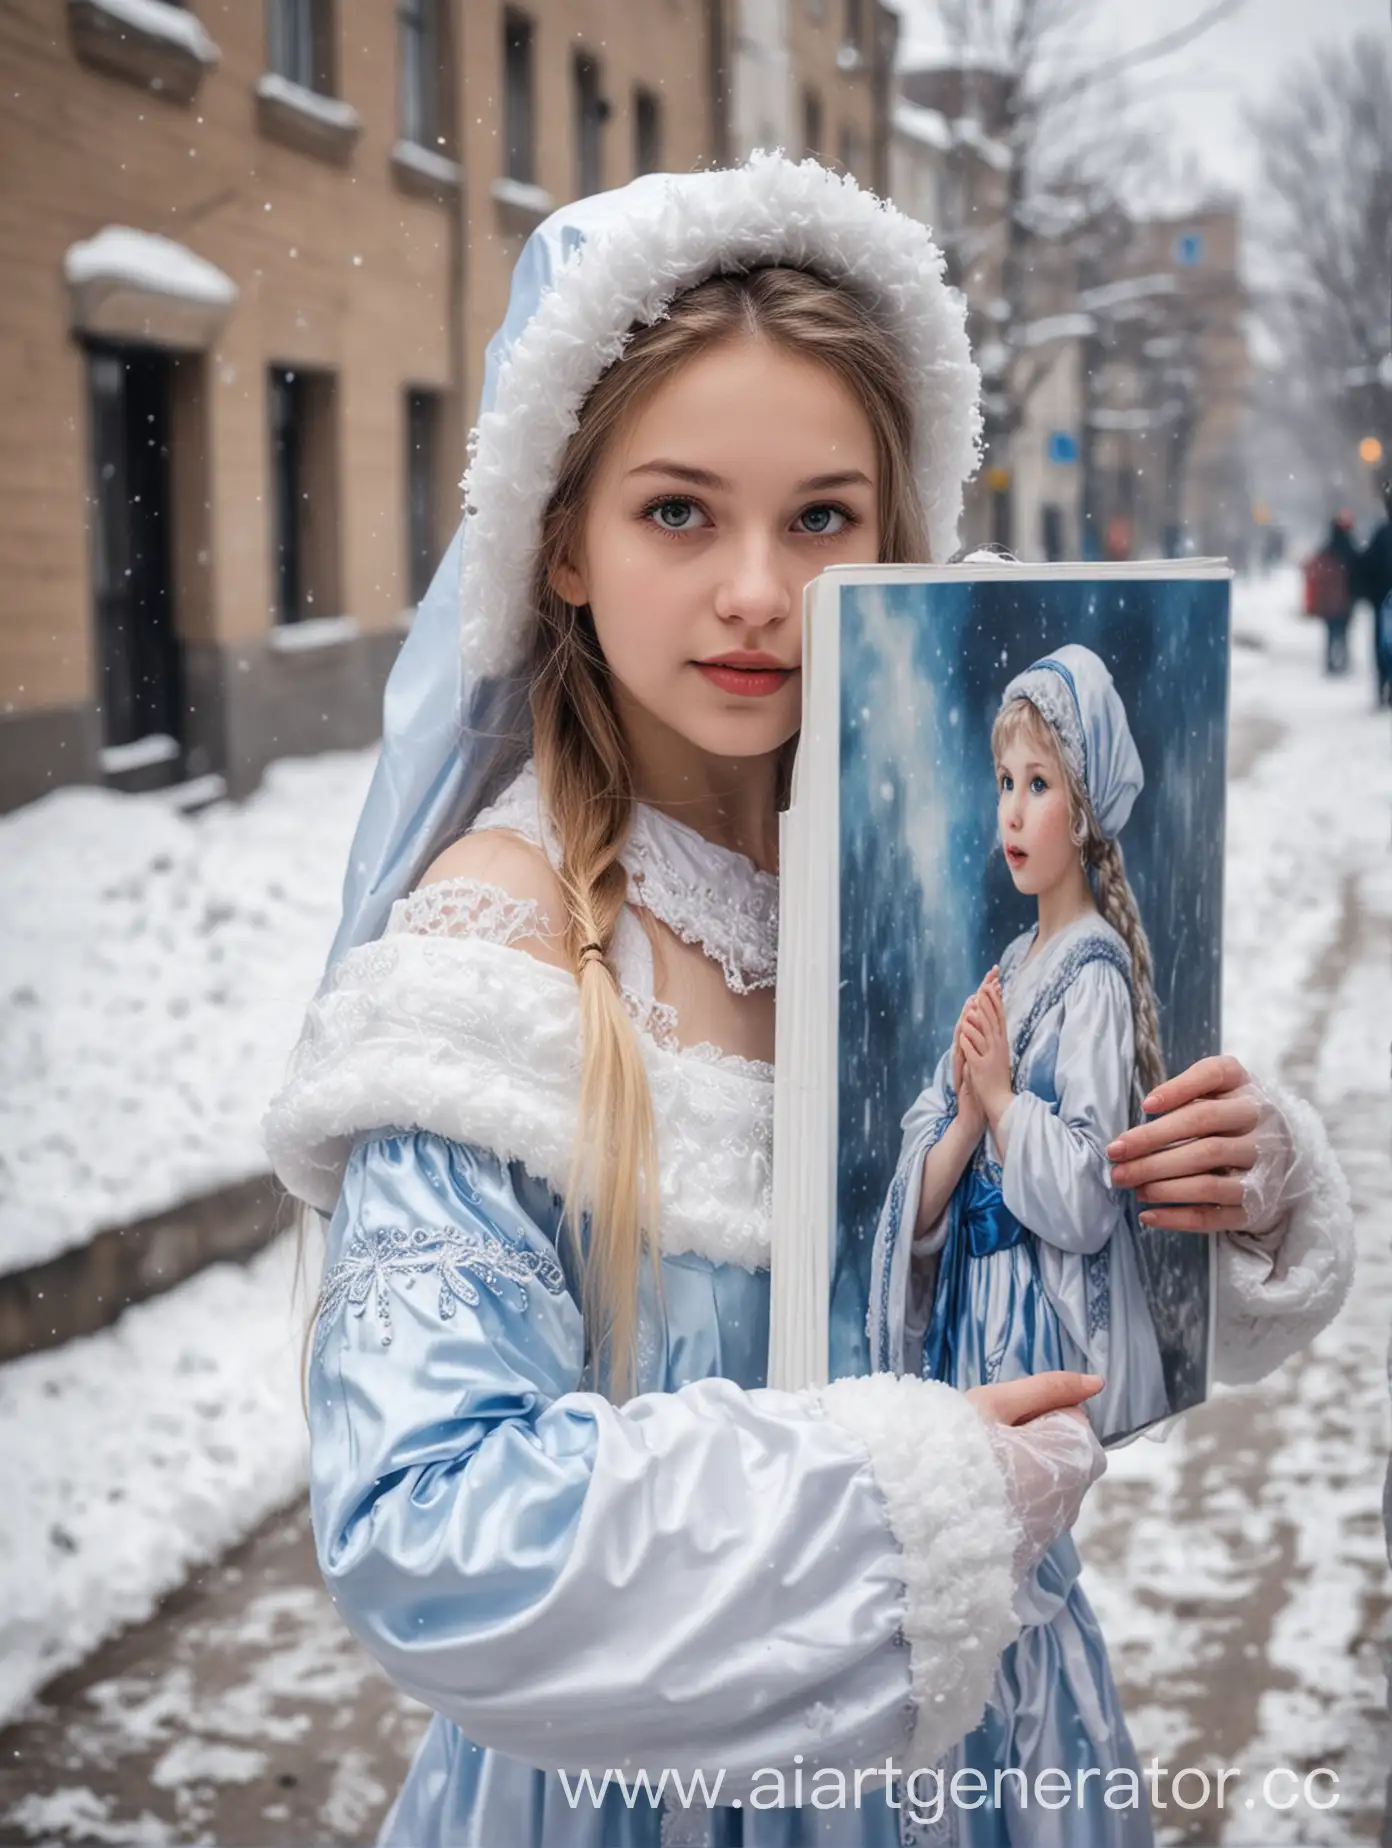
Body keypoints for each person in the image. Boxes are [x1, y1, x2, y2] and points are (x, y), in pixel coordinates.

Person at [263, 157, 1355, 1847]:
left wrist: (1206, 1188)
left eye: (822, 516)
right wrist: (898, 1510)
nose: (758, 589)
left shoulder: (918, 890)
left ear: (899, 531)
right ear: (559, 536)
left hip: (1009, 1756)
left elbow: (1013, 1272)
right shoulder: (500, 948)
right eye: (678, 510)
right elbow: (428, 1523)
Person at [867, 647, 1203, 1844]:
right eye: (1002, 782)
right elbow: (929, 1148)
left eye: (1039, 785)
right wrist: (966, 1123)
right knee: (969, 1591)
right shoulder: (1010, 970)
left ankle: (1038, 1810)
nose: (1012, 812)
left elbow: (1086, 1195)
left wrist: (1005, 1108)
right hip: (973, 1327)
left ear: (1088, 804)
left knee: (1017, 1600)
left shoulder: (1096, 981)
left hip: (1037, 1338)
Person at [1303, 513, 1360, 674]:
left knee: (1331, 632)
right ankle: (1343, 661)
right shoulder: (1349, 549)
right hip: (1346, 599)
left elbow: (1314, 569)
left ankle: (1331, 662)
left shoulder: (1327, 549)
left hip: (1329, 602)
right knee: (1343, 631)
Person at [1360, 479, 1392, 707]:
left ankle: (1383, 686)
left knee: (1384, 648)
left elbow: (1366, 567)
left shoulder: (1380, 535)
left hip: (1383, 601)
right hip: (1382, 599)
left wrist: (1372, 596)